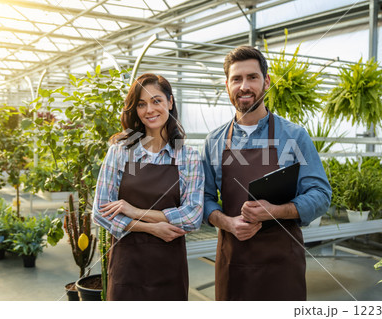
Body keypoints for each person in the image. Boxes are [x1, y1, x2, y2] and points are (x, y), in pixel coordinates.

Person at [202, 46, 332, 301]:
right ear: (227, 85)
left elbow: (320, 194)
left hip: (282, 266)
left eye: (252, 77)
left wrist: (277, 210)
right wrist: (228, 223)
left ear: (266, 81)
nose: (244, 86)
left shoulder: (294, 136)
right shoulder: (214, 141)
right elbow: (203, 200)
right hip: (233, 264)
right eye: (236, 79)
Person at [93, 73, 204, 301]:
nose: (149, 110)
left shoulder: (188, 156)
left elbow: (193, 217)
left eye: (156, 101)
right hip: (127, 266)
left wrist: (134, 212)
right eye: (141, 104)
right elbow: (101, 212)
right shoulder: (121, 151)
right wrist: (151, 228)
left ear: (170, 102)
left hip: (169, 268)